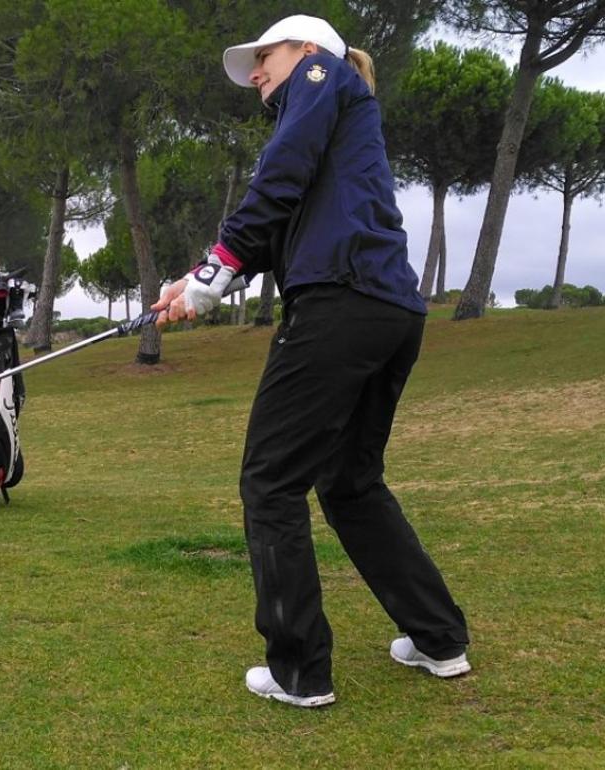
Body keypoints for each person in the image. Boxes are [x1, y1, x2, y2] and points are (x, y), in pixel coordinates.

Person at [152, 15, 470, 708]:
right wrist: (196, 281)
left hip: (338, 307)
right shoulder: (337, 121)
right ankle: (439, 637)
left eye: (264, 57)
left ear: (307, 51)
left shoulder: (323, 81)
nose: (256, 72)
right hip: (388, 311)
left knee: (270, 483)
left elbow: (280, 180)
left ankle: (299, 671)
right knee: (350, 483)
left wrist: (218, 264)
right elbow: (276, 228)